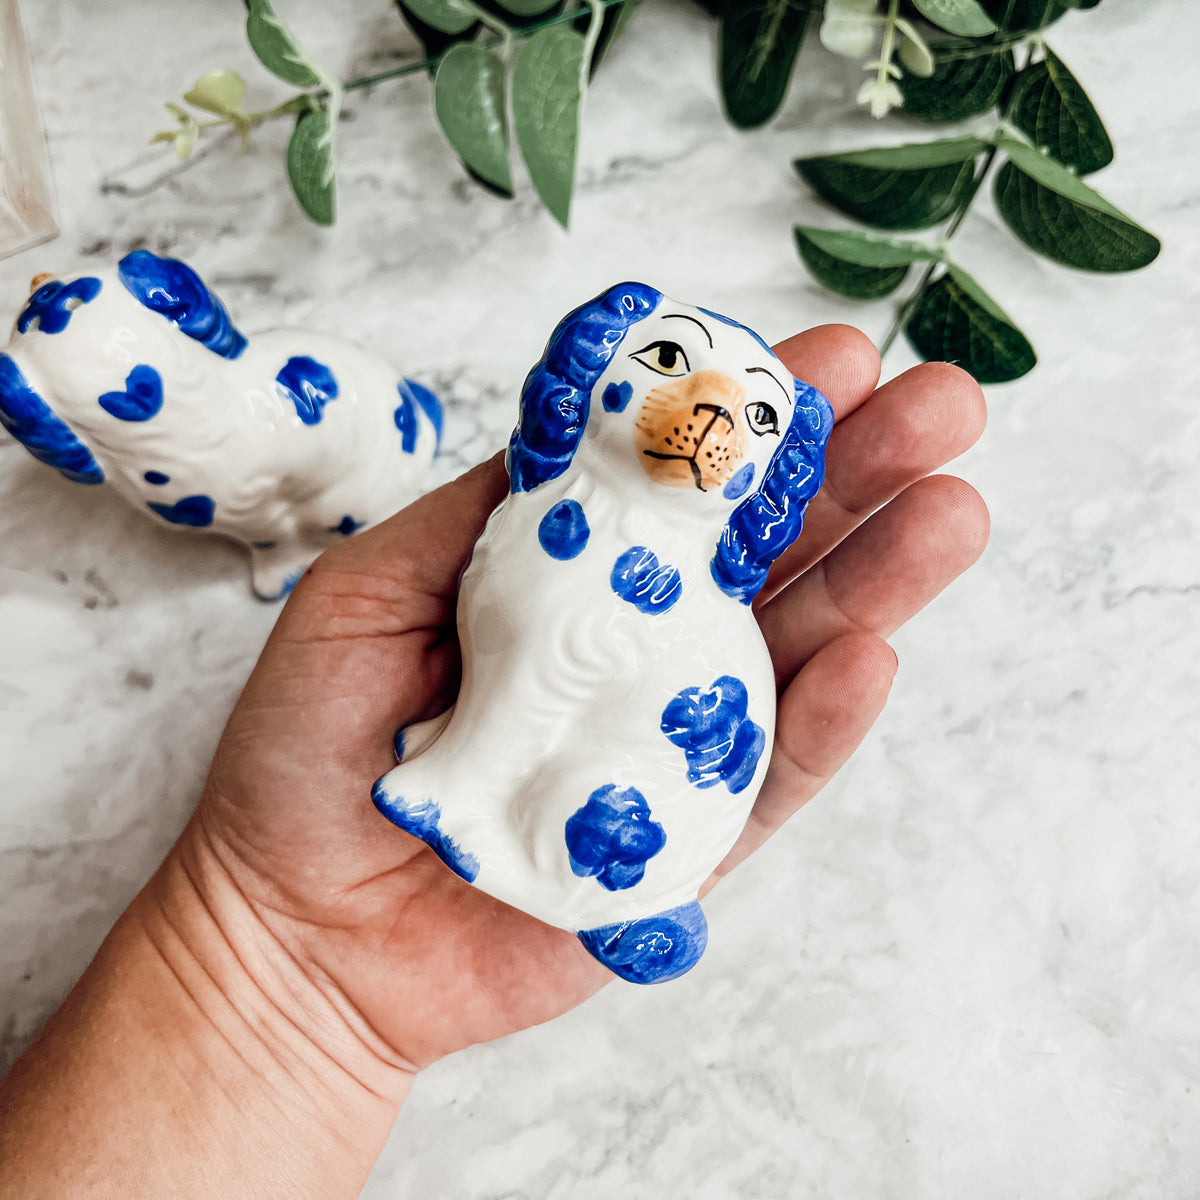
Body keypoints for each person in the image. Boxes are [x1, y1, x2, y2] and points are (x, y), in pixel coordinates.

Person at [0, 325, 988, 1199]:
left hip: (605, 813)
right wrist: (276, 968)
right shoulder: (555, 519)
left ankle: (496, 814)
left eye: (755, 416)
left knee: (551, 683)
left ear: (763, 478)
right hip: (553, 770)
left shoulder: (623, 566)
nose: (705, 413)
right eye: (668, 362)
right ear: (592, 374)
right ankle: (478, 783)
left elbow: (546, 678)